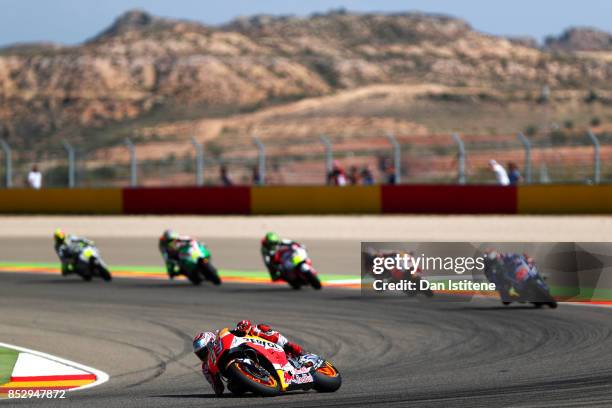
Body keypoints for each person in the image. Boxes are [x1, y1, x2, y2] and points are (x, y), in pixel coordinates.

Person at [193, 320, 304, 396]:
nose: (205, 355)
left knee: (259, 328)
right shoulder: (206, 368)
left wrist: (242, 327)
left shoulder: (223, 336)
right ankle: (260, 380)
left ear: (212, 343)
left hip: (253, 346)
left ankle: (291, 347)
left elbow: (245, 324)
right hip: (241, 375)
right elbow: (218, 389)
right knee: (234, 389)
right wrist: (217, 381)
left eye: (205, 351)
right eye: (201, 354)